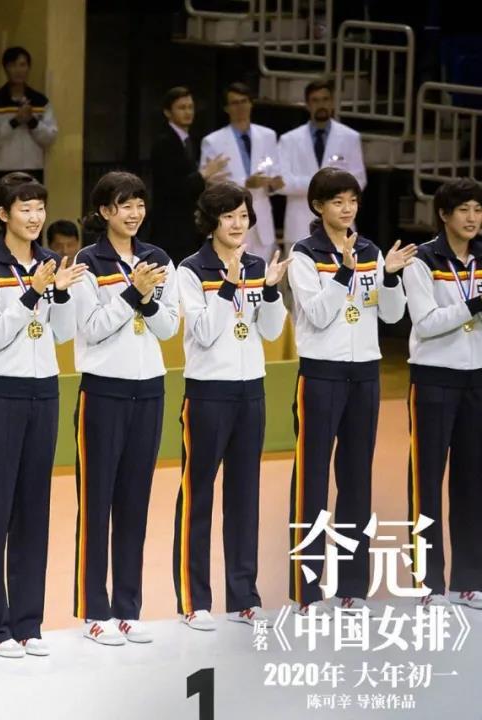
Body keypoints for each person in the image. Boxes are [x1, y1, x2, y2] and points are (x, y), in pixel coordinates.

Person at [287, 167, 413, 614]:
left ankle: (352, 587)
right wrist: (343, 271)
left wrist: (390, 276)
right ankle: (306, 590)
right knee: (312, 481)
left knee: (357, 480)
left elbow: (392, 315)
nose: (347, 209)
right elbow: (318, 315)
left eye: (353, 201)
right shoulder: (304, 254)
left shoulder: (370, 250)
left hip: (365, 374)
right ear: (318, 206)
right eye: (337, 201)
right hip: (321, 374)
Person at [0, 172, 86, 658]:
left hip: (44, 391)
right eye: (25, 209)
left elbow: (62, 333)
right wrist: (33, 293)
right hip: (0, 392)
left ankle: (27, 623)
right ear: (3, 215)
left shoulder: (50, 263)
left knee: (34, 511)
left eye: (40, 208)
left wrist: (60, 292)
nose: (35, 217)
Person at [173, 182, 289, 632]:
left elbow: (271, 331)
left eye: (243, 215)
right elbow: (203, 333)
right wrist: (227, 284)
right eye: (229, 216)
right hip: (208, 392)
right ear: (211, 222)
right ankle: (194, 600)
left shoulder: (257, 265)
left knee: (244, 497)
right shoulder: (190, 269)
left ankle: (244, 597)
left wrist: (272, 291)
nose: (238, 224)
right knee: (198, 495)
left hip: (250, 390)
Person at [71, 172, 178, 645]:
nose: (134, 213)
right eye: (123, 205)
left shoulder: (159, 259)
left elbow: (169, 327)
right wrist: (133, 293)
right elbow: (92, 327)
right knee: (97, 504)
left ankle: (128, 608)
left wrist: (148, 300)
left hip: (149, 389)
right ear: (104, 212)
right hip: (103, 391)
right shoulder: (87, 262)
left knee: (135, 503)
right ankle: (94, 611)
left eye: (138, 204)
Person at [402, 178, 482, 610]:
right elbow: (426, 322)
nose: (472, 218)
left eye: (478, 209)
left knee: (473, 482)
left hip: (477, 380)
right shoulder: (422, 261)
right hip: (433, 380)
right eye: (464, 209)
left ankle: (470, 579)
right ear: (444, 215)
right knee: (426, 483)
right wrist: (473, 305)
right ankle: (427, 582)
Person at [199, 83, 283, 262]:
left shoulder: (268, 135)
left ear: (251, 103)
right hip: (229, 219)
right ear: (226, 108)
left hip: (262, 220)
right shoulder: (213, 141)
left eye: (244, 101)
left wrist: (273, 185)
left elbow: (275, 171)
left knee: (262, 273)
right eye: (235, 103)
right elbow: (211, 183)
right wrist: (245, 183)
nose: (241, 107)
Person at [279, 78, 367, 247]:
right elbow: (282, 183)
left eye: (325, 99)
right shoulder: (289, 139)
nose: (321, 105)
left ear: (332, 102)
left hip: (340, 224)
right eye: (315, 100)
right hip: (299, 225)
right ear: (307, 105)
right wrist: (326, 185)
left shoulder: (350, 137)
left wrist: (316, 186)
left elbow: (359, 180)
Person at [151, 86, 229, 265]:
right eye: (182, 107)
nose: (188, 112)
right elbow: (173, 186)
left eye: (190, 107)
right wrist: (204, 173)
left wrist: (207, 181)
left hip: (189, 225)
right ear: (168, 112)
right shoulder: (164, 142)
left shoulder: (189, 140)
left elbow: (190, 183)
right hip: (171, 226)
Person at [0, 46, 58, 189]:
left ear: (28, 68)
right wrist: (15, 121)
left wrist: (32, 121)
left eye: (22, 65)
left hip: (33, 171)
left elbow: (50, 137)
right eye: (13, 65)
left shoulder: (40, 101)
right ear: (5, 68)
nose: (18, 70)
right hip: (3, 172)